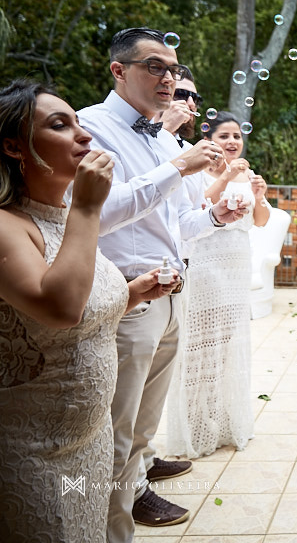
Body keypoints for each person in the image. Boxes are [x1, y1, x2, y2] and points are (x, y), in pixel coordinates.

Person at [78, 27, 247, 541]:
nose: (168, 78)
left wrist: (215, 216)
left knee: (139, 440)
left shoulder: (162, 137)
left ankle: (122, 526)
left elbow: (175, 228)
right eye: (154, 67)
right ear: (118, 71)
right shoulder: (92, 127)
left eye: (173, 70)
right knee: (110, 436)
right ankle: (98, 530)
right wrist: (177, 167)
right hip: (125, 301)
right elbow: (98, 215)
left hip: (170, 299)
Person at [0, 80, 177, 541]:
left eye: (80, 122)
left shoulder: (62, 216)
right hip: (32, 450)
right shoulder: (8, 224)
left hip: (90, 442)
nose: (85, 136)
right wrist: (87, 207)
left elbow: (78, 302)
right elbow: (59, 309)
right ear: (13, 147)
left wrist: (134, 293)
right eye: (61, 125)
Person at [165, 113, 269, 458]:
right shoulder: (196, 173)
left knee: (229, 346)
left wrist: (260, 195)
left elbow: (260, 220)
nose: (232, 142)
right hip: (207, 265)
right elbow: (193, 210)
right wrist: (226, 174)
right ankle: (196, 425)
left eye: (237, 136)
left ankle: (226, 421)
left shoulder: (247, 175)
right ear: (210, 139)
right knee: (201, 347)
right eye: (224, 135)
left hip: (237, 266)